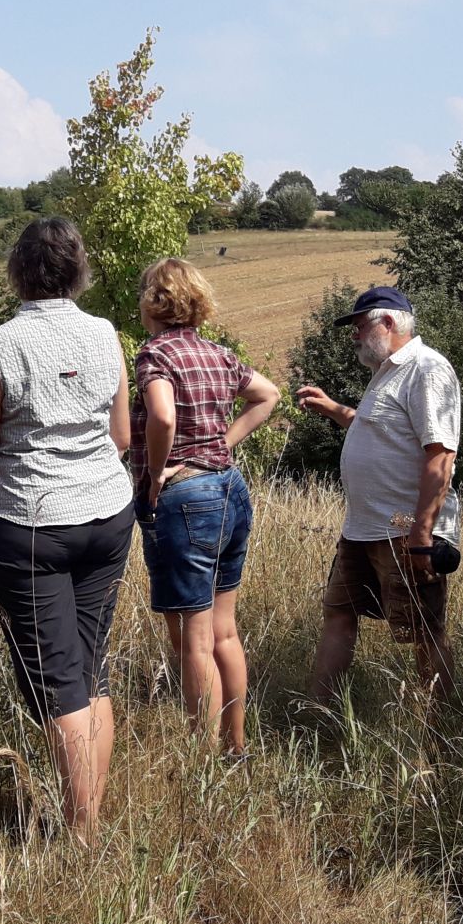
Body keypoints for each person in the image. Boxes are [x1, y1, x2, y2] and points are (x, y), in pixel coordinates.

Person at [0, 217, 134, 838]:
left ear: (18, 270)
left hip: (30, 523)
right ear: (78, 270)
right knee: (91, 667)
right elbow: (121, 436)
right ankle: (89, 816)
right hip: (109, 516)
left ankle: (79, 837)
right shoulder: (106, 333)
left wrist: (6, 506)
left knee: (61, 682)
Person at [130, 258, 279, 754]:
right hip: (229, 489)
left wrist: (155, 473)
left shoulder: (155, 355)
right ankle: (235, 747)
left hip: (186, 497)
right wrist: (224, 443)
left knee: (193, 642)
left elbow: (162, 417)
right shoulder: (217, 353)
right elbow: (268, 395)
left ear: (154, 302)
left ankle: (203, 765)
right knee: (223, 632)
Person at [292, 286, 461, 703]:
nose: (354, 336)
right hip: (363, 528)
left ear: (388, 322)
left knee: (422, 629)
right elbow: (382, 433)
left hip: (404, 529)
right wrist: (333, 409)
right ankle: (319, 715)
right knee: (338, 612)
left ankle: (440, 736)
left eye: (359, 325)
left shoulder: (427, 369)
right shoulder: (387, 371)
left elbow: (440, 455)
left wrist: (422, 535)